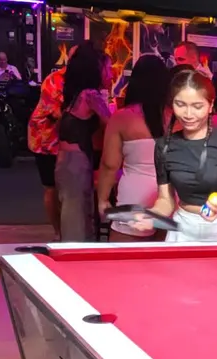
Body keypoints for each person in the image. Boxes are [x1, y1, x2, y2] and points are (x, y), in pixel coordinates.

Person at [132, 69, 217, 242]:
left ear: (211, 105)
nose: (188, 114)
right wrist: (150, 216)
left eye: (197, 106)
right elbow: (166, 201)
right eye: (180, 104)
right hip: (183, 228)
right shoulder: (164, 147)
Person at [98, 55, 170, 240]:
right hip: (171, 196)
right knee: (164, 254)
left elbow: (109, 164)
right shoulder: (177, 117)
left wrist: (103, 199)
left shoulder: (122, 117)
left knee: (125, 254)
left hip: (134, 196)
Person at [55, 44, 112, 241]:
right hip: (76, 162)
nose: (110, 73)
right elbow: (112, 124)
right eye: (107, 68)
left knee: (73, 213)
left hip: (66, 160)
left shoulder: (75, 95)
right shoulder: (90, 95)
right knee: (77, 217)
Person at [28, 49, 73, 239]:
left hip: (67, 141)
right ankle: (58, 233)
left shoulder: (86, 80)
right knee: (52, 188)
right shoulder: (55, 80)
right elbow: (58, 114)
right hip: (45, 140)